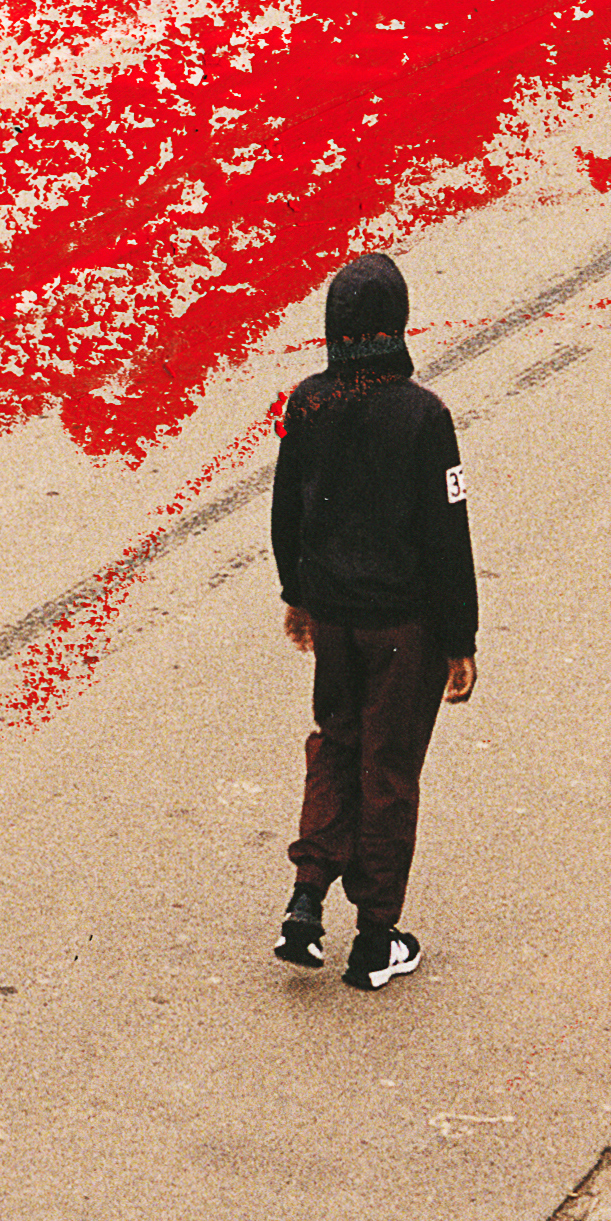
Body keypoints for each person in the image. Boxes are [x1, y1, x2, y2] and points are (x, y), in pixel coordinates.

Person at [270, 249, 479, 994]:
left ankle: (306, 893)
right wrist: (460, 639)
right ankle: (375, 935)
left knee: (333, 744)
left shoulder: (308, 403)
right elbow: (445, 534)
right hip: (403, 627)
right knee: (386, 767)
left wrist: (297, 593)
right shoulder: (423, 416)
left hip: (333, 619)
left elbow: (287, 509)